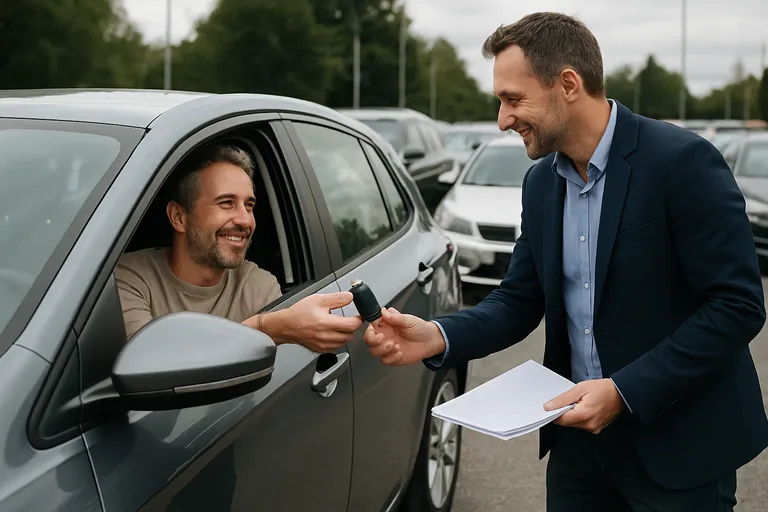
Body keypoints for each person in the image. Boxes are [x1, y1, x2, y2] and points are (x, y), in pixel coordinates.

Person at [364, 12, 768, 511]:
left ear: (569, 84)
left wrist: (624, 391)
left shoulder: (681, 163)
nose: (503, 119)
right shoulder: (540, 184)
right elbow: (518, 299)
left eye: (514, 99)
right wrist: (438, 335)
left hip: (679, 446)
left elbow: (737, 305)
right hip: (578, 447)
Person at [115, 142, 362, 352]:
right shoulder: (128, 278)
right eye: (226, 203)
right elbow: (153, 367)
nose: (245, 220)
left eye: (249, 206)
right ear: (179, 217)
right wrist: (265, 329)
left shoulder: (259, 287)